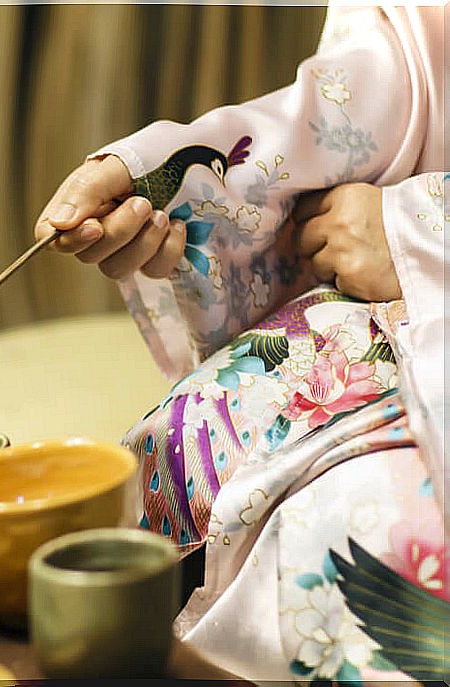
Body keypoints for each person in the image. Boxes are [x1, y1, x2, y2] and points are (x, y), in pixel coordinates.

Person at [35, 4, 445, 682]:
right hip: (404, 311)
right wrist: (183, 173)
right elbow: (416, 54)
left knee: (365, 557)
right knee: (165, 452)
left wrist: (418, 231)